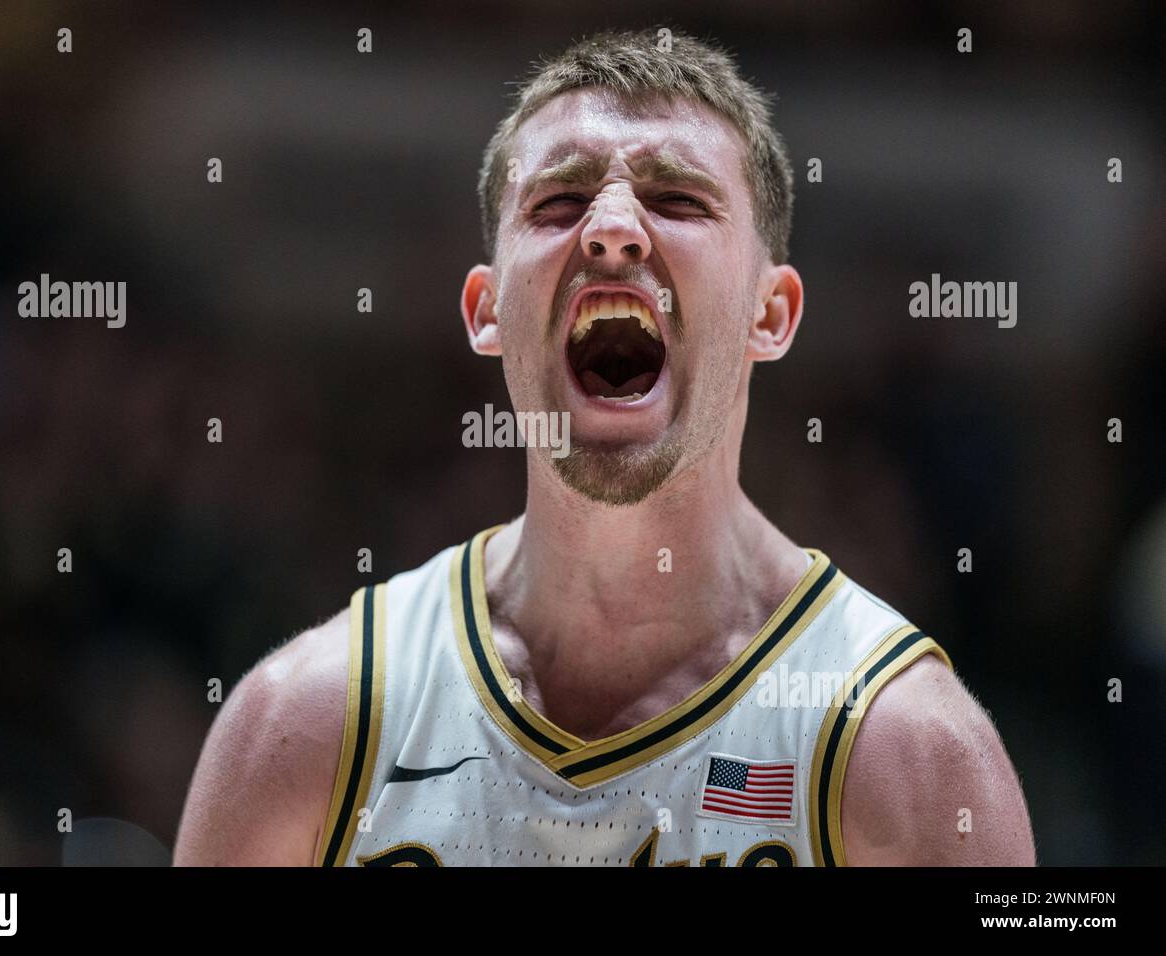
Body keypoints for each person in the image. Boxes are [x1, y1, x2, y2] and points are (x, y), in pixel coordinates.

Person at [175, 27, 1035, 867]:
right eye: (557, 203)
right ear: (484, 311)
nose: (612, 228)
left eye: (678, 200)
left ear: (769, 314)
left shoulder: (910, 753)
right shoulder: (303, 728)